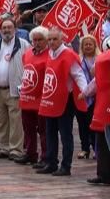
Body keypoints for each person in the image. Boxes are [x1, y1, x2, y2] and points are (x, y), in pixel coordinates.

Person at [36, 26, 88, 176]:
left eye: (55, 39)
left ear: (62, 39)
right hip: (50, 98)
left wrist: (85, 91)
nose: (51, 42)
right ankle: (51, 162)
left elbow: (78, 75)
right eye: (50, 39)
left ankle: (66, 165)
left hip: (65, 100)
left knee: (65, 134)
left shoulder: (68, 55)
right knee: (50, 131)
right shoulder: (50, 54)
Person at [0, 18, 29, 161]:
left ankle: (15, 149)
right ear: (0, 30)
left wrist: (26, 86)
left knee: (16, 121)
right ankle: (4, 148)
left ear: (15, 29)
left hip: (14, 89)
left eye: (9, 27)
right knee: (1, 121)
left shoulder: (24, 44)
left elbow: (29, 65)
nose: (7, 30)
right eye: (4, 28)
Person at [17, 26, 50, 166]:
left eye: (40, 40)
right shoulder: (28, 53)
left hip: (42, 98)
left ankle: (45, 156)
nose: (36, 42)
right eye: (34, 40)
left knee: (43, 130)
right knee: (28, 128)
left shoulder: (50, 54)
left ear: (46, 40)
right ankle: (30, 154)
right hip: (27, 97)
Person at [80, 36, 110, 185]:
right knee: (101, 141)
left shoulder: (102, 60)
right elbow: (95, 81)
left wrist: (85, 93)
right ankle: (103, 173)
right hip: (103, 106)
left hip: (103, 106)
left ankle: (104, 173)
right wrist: (85, 93)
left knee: (103, 141)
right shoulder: (102, 61)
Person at [75, 35, 98, 160]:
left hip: (96, 98)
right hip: (81, 98)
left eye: (90, 44)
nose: (88, 46)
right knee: (82, 123)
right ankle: (85, 149)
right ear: (82, 47)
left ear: (95, 46)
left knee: (94, 124)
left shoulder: (100, 59)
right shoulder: (78, 60)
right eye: (86, 44)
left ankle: (96, 149)